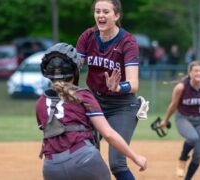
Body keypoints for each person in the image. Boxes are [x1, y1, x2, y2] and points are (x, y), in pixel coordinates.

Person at [36, 42, 147, 180]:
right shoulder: (83, 95)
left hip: (51, 167)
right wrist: (135, 157)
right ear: (75, 69)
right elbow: (109, 134)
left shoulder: (40, 102)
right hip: (84, 159)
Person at [76, 0, 142, 179]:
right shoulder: (88, 36)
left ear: (117, 15)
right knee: (84, 158)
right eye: (97, 11)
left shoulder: (127, 42)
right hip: (93, 102)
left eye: (106, 12)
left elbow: (133, 83)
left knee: (117, 164)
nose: (100, 15)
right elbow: (75, 68)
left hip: (121, 104)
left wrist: (118, 86)